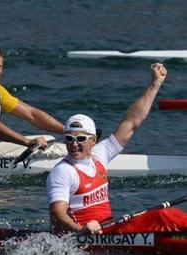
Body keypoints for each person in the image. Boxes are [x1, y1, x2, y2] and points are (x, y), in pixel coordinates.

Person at [46, 63, 167, 235]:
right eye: (69, 139)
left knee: (162, 216)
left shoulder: (100, 154)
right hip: (81, 235)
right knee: (164, 218)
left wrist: (155, 84)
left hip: (107, 229)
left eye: (80, 139)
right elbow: (57, 213)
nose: (73, 144)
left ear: (93, 140)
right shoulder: (63, 171)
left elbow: (131, 122)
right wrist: (81, 229)